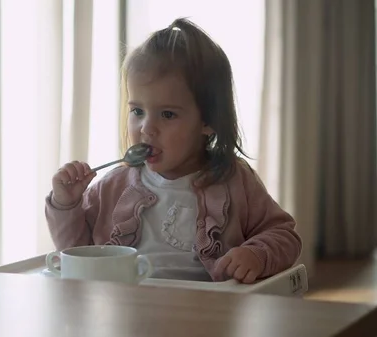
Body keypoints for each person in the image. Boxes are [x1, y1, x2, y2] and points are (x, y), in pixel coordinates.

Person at [44, 18, 302, 283]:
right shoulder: (112, 187)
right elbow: (75, 256)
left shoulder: (235, 180)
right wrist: (66, 204)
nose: (146, 128)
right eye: (137, 111)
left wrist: (256, 254)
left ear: (208, 121)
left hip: (206, 313)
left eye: (167, 114)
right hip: (125, 311)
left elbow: (284, 235)